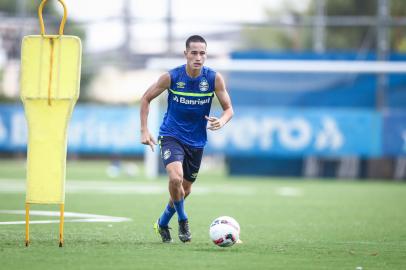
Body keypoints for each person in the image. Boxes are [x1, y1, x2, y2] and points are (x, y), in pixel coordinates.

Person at [140, 35, 234, 243]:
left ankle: (163, 222)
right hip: (171, 135)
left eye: (202, 53)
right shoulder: (172, 77)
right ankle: (183, 221)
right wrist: (144, 131)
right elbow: (146, 98)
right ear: (186, 54)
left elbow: (229, 109)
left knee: (186, 188)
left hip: (197, 141)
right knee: (175, 178)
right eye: (194, 53)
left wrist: (222, 120)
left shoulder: (213, 78)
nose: (198, 57)